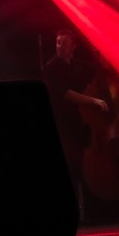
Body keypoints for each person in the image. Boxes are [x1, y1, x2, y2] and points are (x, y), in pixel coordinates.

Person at [42, 28, 103, 215]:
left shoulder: (77, 66)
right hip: (63, 123)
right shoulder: (50, 68)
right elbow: (66, 94)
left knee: (80, 165)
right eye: (58, 42)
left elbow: (96, 72)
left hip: (80, 123)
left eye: (64, 43)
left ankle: (91, 208)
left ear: (73, 47)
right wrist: (93, 101)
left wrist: (99, 58)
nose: (59, 46)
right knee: (72, 166)